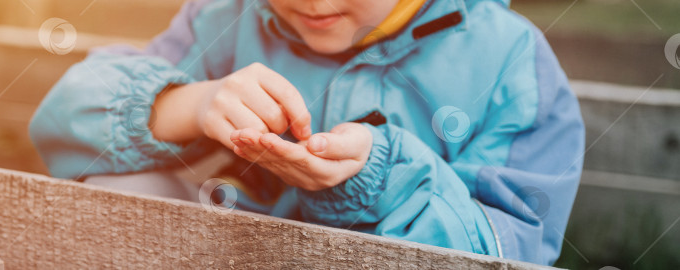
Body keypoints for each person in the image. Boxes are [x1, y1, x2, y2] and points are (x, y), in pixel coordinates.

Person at [29, 0, 585, 265]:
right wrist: (191, 103)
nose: (315, 2)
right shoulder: (230, 17)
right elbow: (68, 116)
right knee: (120, 195)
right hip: (233, 253)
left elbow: (505, 250)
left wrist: (378, 177)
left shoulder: (509, 62)